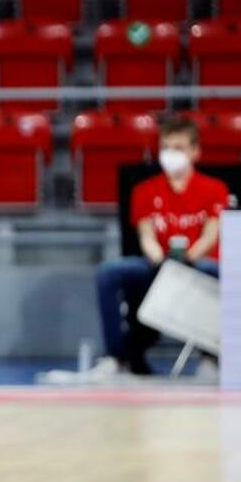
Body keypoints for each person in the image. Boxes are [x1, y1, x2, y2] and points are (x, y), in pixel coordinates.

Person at [85, 115, 228, 378]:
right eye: (166, 148)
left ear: (195, 151)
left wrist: (188, 258)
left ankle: (211, 358)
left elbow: (211, 234)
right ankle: (115, 358)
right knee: (108, 272)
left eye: (178, 148)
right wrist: (160, 259)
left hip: (197, 264)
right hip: (156, 264)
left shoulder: (215, 188)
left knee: (219, 271)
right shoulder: (144, 190)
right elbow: (146, 235)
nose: (171, 154)